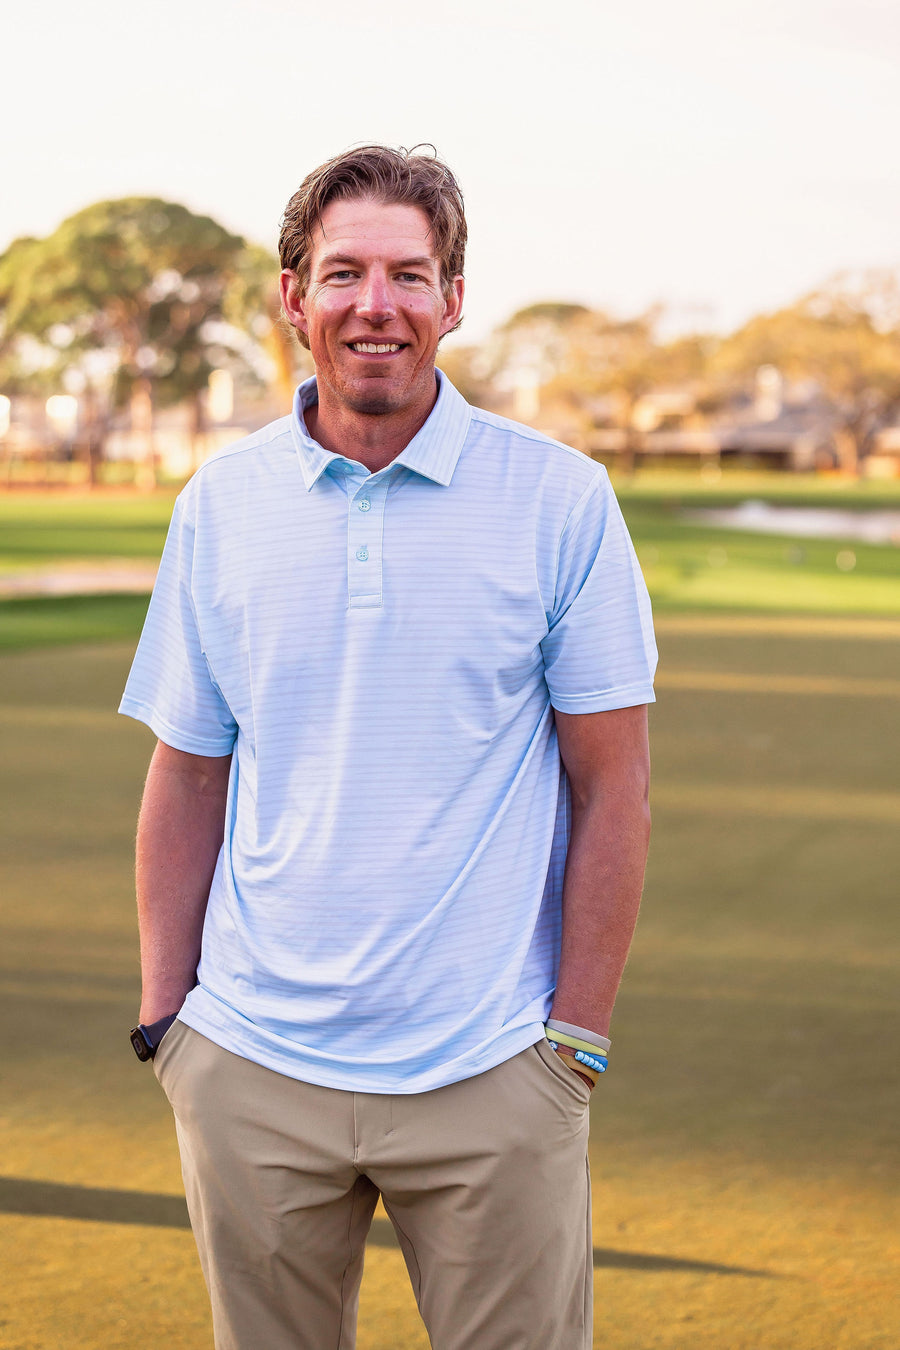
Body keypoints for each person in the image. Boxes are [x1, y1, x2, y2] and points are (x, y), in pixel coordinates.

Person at [121, 144, 657, 1350]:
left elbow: (611, 783)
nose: (378, 305)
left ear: (453, 300)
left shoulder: (562, 499)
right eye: (345, 271)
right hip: (251, 1067)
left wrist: (573, 1042)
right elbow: (189, 769)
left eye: (410, 276)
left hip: (493, 1071)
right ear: (292, 296)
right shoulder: (220, 502)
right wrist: (173, 1027)